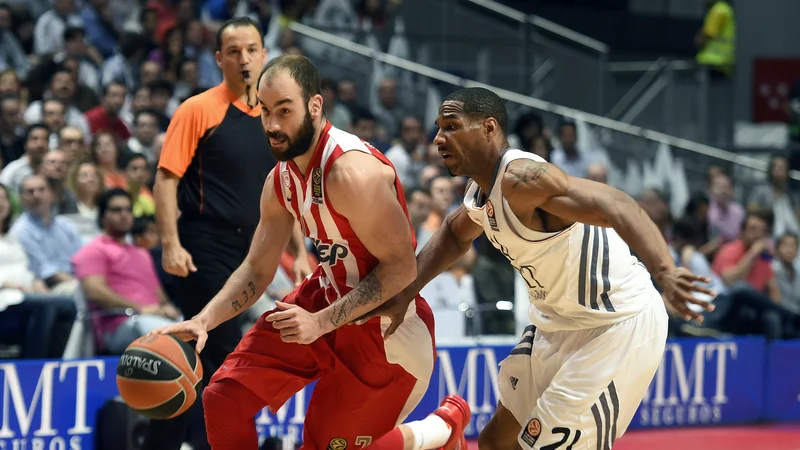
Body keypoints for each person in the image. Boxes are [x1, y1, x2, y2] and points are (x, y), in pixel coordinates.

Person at [356, 87, 715, 450]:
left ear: (488, 128)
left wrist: (665, 270)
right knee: (497, 441)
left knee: (541, 445)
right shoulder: (480, 193)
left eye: (451, 126)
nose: (438, 138)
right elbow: (452, 233)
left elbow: (617, 204)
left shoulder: (523, 178)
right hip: (557, 325)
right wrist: (405, 293)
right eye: (438, 127)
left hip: (614, 325)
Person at [151, 54, 470, 450]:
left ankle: (442, 427)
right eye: (265, 112)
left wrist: (321, 323)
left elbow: (402, 270)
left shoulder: (353, 173)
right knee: (223, 398)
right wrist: (204, 320)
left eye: (284, 111)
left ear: (315, 106)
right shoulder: (281, 178)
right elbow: (256, 268)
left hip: (384, 329)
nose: (272, 125)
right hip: (320, 300)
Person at [150, 17, 309, 450]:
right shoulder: (198, 109)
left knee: (203, 361)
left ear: (264, 54)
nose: (244, 59)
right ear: (218, 58)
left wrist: (301, 251)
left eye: (252, 49)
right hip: (204, 245)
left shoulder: (273, 118)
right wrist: (171, 243)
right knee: (221, 353)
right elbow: (165, 181)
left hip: (255, 247)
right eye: (233, 51)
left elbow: (285, 188)